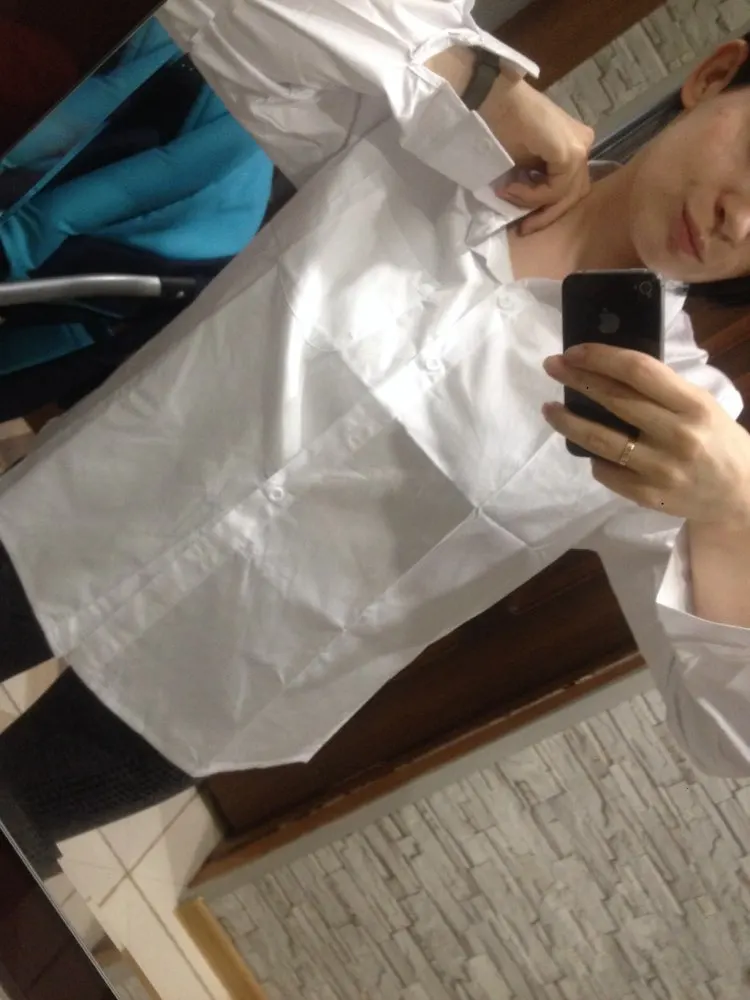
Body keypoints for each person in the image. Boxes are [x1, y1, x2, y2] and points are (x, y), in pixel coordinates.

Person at [1, 0, 750, 869]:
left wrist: (734, 512)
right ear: (713, 77)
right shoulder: (443, 145)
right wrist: (469, 76)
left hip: (204, 692)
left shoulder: (677, 423)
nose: (740, 225)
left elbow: (727, 739)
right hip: (67, 521)